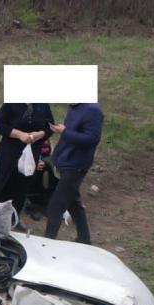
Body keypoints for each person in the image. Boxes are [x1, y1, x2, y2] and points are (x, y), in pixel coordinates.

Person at [44, 103, 104, 244]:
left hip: (76, 165)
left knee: (55, 207)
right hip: (65, 161)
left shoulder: (92, 110)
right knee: (73, 202)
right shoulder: (74, 107)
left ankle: (46, 244)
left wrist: (64, 131)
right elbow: (70, 135)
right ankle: (84, 238)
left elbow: (92, 139)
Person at [0, 103, 55, 230]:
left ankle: (14, 218)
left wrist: (40, 135)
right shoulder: (11, 103)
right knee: (4, 186)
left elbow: (50, 127)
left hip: (31, 154)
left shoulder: (42, 105)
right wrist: (19, 134)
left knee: (22, 188)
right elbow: (0, 126)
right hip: (9, 154)